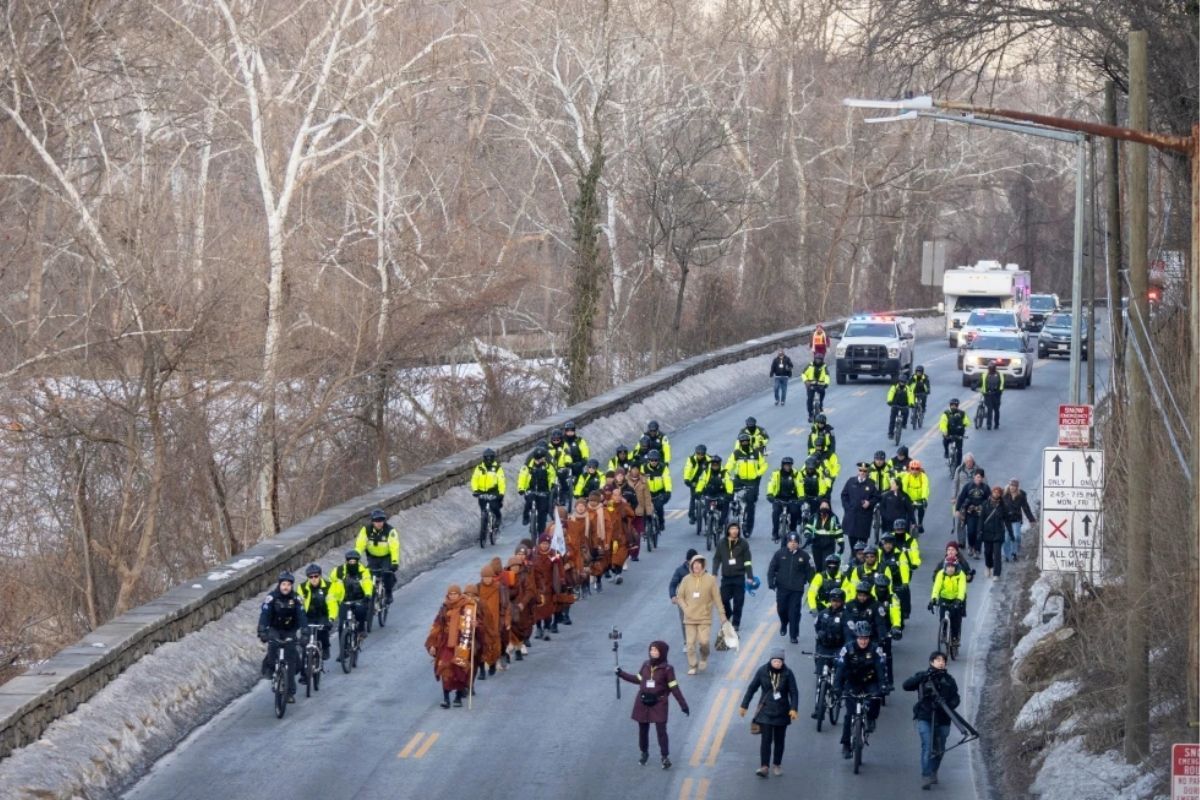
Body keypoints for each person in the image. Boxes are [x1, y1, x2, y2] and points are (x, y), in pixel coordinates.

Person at [617, 641, 689, 769]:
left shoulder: (668, 669)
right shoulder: (645, 665)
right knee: (643, 731)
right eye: (651, 650)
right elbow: (638, 679)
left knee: (661, 731)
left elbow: (674, 688)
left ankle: (665, 757)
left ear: (662, 652)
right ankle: (644, 753)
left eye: (656, 650)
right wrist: (621, 673)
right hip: (642, 702)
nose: (653, 652)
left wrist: (683, 705)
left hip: (659, 703)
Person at [903, 651, 961, 790]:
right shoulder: (923, 677)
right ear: (931, 662)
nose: (941, 662)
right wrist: (921, 677)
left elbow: (956, 698)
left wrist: (949, 705)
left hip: (943, 718)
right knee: (928, 745)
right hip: (925, 717)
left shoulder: (949, 680)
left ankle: (933, 771)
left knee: (940, 748)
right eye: (938, 660)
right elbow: (906, 686)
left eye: (943, 660)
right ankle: (926, 775)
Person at [740, 648, 800, 778]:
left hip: (782, 711)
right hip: (765, 711)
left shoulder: (788, 673)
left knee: (779, 740)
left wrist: (794, 708)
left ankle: (777, 765)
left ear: (783, 662)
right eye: (775, 661)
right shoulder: (762, 671)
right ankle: (764, 766)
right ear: (771, 660)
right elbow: (752, 688)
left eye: (779, 661)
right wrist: (744, 705)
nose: (777, 663)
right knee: (766, 740)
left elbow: (794, 692)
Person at [835, 620, 885, 758]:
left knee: (876, 698)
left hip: (870, 681)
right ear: (856, 637)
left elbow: (880, 669)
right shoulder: (847, 649)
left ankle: (871, 718)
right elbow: (840, 669)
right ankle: (846, 745)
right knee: (849, 715)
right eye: (861, 638)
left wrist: (883, 686)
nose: (863, 641)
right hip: (853, 682)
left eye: (866, 638)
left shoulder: (875, 649)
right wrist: (837, 687)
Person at [425, 584, 480, 708]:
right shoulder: (444, 608)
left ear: (459, 595)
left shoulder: (468, 607)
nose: (453, 596)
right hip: (445, 643)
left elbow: (477, 625)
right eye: (451, 594)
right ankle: (446, 699)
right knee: (444, 667)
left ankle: (458, 697)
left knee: (459, 669)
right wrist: (433, 644)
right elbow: (437, 626)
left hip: (462, 642)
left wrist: (475, 624)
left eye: (455, 594)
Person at [675, 553, 729, 674]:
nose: (696, 566)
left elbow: (717, 599)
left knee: (704, 642)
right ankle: (693, 665)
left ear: (703, 565)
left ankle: (704, 657)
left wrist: (722, 615)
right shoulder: (686, 579)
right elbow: (680, 596)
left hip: (704, 618)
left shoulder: (710, 580)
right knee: (690, 644)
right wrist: (686, 608)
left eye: (699, 564)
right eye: (694, 564)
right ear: (691, 565)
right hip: (689, 618)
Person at [257, 571, 307, 703]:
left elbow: (302, 616)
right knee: (273, 646)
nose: (286, 587)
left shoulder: (296, 598)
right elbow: (265, 614)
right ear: (279, 585)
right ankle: (270, 668)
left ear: (291, 586)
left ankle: (289, 692)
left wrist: (305, 632)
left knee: (290, 660)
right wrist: (262, 630)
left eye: (288, 585)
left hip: (290, 630)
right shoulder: (271, 597)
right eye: (284, 584)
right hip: (275, 628)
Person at [768, 532, 814, 643]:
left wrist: (813, 585)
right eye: (791, 542)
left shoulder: (805, 556)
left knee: (794, 612)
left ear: (798, 543)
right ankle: (784, 623)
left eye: (795, 542)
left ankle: (793, 635)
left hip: (797, 589)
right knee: (781, 609)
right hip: (782, 587)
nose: (793, 544)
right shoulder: (779, 554)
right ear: (787, 543)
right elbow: (772, 568)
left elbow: (810, 572)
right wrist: (771, 582)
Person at [713, 523, 754, 631]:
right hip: (726, 578)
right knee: (723, 599)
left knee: (738, 601)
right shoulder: (721, 543)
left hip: (739, 577)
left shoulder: (743, 543)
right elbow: (717, 558)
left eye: (736, 528)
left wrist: (750, 576)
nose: (734, 531)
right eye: (732, 528)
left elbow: (747, 561)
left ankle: (736, 623)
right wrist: (714, 572)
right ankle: (728, 614)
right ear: (728, 530)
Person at [329, 550, 373, 651]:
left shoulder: (363, 571)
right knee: (341, 625)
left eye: (354, 561)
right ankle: (342, 650)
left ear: (358, 561)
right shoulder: (339, 571)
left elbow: (367, 582)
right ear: (346, 561)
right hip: (344, 600)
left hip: (359, 599)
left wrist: (368, 594)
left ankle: (361, 630)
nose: (352, 563)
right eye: (350, 561)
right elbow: (331, 583)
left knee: (361, 612)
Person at [354, 508, 400, 602]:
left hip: (386, 557)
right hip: (373, 557)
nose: (379, 523)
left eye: (381, 520)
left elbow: (394, 547)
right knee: (368, 576)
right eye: (376, 521)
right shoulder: (366, 530)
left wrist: (394, 562)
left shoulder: (390, 531)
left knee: (387, 574)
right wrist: (355, 557)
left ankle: (388, 593)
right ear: (372, 521)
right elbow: (360, 545)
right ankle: (368, 595)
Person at [726, 434, 767, 537]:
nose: (744, 443)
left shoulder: (756, 453)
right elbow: (729, 464)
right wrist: (725, 473)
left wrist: (758, 473)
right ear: (740, 443)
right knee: (727, 493)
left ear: (749, 442)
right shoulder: (736, 453)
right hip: (739, 479)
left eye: (746, 441)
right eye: (742, 442)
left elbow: (764, 465)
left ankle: (748, 527)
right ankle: (727, 516)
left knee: (750, 504)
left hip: (752, 481)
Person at [296, 564, 335, 668]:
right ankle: (305, 671)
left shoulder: (328, 586)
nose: (313, 579)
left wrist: (331, 618)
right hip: (308, 616)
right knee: (305, 640)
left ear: (320, 576)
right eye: (311, 577)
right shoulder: (302, 587)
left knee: (322, 632)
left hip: (322, 615)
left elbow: (332, 603)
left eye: (316, 576)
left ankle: (325, 647)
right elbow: (298, 605)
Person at [840, 462, 879, 551]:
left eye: (864, 471)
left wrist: (869, 503)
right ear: (858, 471)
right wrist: (847, 507)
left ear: (867, 472)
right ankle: (853, 555)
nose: (862, 473)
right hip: (852, 516)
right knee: (852, 542)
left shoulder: (871, 483)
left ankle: (862, 556)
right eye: (861, 470)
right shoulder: (851, 481)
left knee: (863, 545)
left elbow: (877, 497)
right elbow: (844, 495)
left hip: (864, 517)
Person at [929, 556, 967, 648]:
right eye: (948, 567)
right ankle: (944, 632)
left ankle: (955, 638)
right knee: (942, 616)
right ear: (945, 567)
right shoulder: (941, 574)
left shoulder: (960, 575)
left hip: (956, 598)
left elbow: (962, 589)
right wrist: (933, 598)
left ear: (956, 567)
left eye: (952, 567)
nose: (950, 569)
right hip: (944, 598)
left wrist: (959, 600)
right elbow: (936, 587)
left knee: (956, 620)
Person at [471, 449, 507, 545]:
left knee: (495, 508)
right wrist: (475, 490)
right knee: (483, 511)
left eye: (490, 458)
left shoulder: (497, 468)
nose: (488, 460)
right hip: (482, 492)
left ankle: (497, 521)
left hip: (494, 492)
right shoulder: (479, 468)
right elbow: (474, 479)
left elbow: (501, 481)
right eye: (487, 458)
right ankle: (483, 533)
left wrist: (501, 493)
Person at [812, 588, 847, 687]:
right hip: (824, 646)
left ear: (842, 602)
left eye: (838, 601)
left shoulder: (846, 615)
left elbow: (848, 633)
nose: (835, 603)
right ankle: (820, 687)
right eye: (833, 601)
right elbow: (817, 626)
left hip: (839, 647)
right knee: (819, 663)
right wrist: (821, 634)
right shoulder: (823, 613)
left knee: (841, 668)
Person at [518, 448, 557, 533]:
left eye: (542, 459)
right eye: (538, 459)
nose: (540, 461)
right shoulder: (528, 466)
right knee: (529, 500)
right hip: (531, 489)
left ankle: (541, 532)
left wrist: (552, 485)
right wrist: (521, 488)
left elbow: (552, 476)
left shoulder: (548, 466)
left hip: (543, 490)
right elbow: (522, 477)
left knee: (543, 511)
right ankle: (526, 516)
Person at [477, 563, 505, 677]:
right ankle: (482, 670)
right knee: (480, 646)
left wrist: (504, 619)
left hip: (494, 621)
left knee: (493, 645)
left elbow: (503, 605)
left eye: (489, 577)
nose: (487, 580)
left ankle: (492, 663)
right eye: (485, 577)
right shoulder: (478, 588)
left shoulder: (498, 587)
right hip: (481, 622)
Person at [766, 457, 803, 542]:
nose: (787, 467)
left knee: (795, 511)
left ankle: (793, 529)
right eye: (786, 465)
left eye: (789, 465)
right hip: (779, 498)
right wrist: (770, 494)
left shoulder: (796, 473)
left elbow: (800, 485)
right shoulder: (776, 473)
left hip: (792, 498)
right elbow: (771, 484)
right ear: (782, 465)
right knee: (775, 512)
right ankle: (775, 532)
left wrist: (801, 497)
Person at [878, 532, 914, 620]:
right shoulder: (878, 553)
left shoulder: (900, 554)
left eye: (890, 544)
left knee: (904, 591)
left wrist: (905, 582)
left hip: (896, 581)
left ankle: (904, 612)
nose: (888, 546)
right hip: (880, 582)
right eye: (886, 544)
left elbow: (904, 568)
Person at [694, 455, 733, 536]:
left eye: (716, 465)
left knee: (725, 507)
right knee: (706, 511)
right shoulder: (706, 472)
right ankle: (708, 527)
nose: (715, 466)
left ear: (719, 464)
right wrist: (698, 491)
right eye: (713, 464)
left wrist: (729, 493)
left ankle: (720, 525)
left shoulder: (724, 472)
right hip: (710, 493)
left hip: (721, 494)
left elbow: (729, 483)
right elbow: (701, 481)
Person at [955, 469, 991, 557]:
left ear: (982, 478)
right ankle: (971, 546)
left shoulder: (986, 488)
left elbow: (989, 500)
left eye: (980, 477)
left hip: (981, 513)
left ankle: (977, 550)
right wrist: (957, 509)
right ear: (974, 476)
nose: (979, 479)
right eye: (977, 477)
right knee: (971, 531)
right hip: (970, 512)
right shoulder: (968, 486)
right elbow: (961, 498)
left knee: (979, 532)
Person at [1001, 478, 1037, 561]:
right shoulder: (1004, 494)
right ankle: (1007, 555)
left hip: (1016, 519)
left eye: (1014, 486)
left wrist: (1031, 519)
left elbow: (1026, 508)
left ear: (1017, 487)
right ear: (1009, 485)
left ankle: (1014, 552)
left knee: (1016, 536)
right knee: (1006, 538)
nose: (1012, 487)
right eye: (1011, 485)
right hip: (1006, 520)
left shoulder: (1021, 495)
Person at [669, 548, 700, 643]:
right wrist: (673, 596)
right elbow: (673, 585)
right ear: (687, 560)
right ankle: (687, 642)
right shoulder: (680, 571)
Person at [624, 465, 653, 560]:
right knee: (627, 533)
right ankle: (626, 552)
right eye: (633, 469)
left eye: (636, 469)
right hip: (627, 511)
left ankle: (635, 555)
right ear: (630, 470)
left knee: (637, 534)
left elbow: (647, 497)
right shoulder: (625, 480)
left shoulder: (644, 481)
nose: (635, 471)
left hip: (639, 511)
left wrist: (649, 512)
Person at [980, 487, 1007, 578]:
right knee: (988, 552)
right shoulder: (985, 504)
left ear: (1000, 494)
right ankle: (988, 566)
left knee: (997, 554)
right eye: (994, 492)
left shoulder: (1003, 506)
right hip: (987, 532)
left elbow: (1006, 520)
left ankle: (996, 573)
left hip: (998, 533)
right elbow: (981, 518)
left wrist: (1011, 533)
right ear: (992, 493)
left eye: (998, 493)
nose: (996, 494)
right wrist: (979, 531)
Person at [642, 450, 672, 532]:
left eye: (655, 460)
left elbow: (667, 480)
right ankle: (644, 527)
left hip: (660, 492)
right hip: (648, 493)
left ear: (658, 460)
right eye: (652, 460)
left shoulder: (663, 468)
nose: (654, 462)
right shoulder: (643, 468)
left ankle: (661, 522)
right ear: (649, 460)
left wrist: (668, 491)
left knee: (658, 506)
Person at [877, 477, 914, 542]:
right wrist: (886, 516)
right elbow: (882, 508)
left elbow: (910, 510)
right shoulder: (886, 496)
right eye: (891, 483)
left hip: (901, 523)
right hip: (888, 522)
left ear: (898, 486)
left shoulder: (904, 496)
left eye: (893, 484)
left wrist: (913, 522)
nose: (891, 485)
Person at [797, 457, 833, 522]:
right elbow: (799, 485)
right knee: (797, 509)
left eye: (812, 468)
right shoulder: (801, 474)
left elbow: (822, 485)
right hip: (805, 495)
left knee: (817, 510)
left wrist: (820, 495)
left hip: (815, 496)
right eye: (809, 468)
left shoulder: (819, 474)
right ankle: (799, 522)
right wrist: (801, 495)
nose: (810, 470)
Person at [683, 445, 710, 524]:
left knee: (707, 497)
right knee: (693, 497)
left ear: (705, 453)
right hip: (694, 481)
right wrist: (686, 479)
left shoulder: (709, 460)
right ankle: (692, 516)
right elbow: (687, 469)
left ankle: (707, 515)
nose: (700, 456)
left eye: (702, 454)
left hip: (704, 481)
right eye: (698, 453)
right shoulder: (691, 459)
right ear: (695, 453)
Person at [900, 460, 930, 531]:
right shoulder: (907, 476)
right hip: (909, 498)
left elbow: (925, 487)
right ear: (909, 469)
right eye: (912, 468)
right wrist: (904, 498)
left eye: (917, 469)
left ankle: (920, 524)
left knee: (921, 509)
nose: (914, 471)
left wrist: (924, 498)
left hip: (919, 498)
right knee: (908, 514)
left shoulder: (923, 476)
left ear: (919, 469)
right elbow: (904, 488)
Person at [802, 356, 831, 423]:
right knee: (809, 399)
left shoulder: (824, 367)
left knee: (822, 393)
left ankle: (820, 405)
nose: (818, 361)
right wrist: (806, 381)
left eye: (819, 359)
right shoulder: (810, 365)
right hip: (811, 385)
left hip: (820, 385)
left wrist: (826, 383)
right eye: (816, 359)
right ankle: (810, 414)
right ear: (814, 359)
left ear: (822, 360)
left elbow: (827, 376)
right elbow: (803, 374)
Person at [978, 364, 1004, 429]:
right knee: (990, 409)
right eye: (990, 369)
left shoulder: (999, 375)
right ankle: (988, 424)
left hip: (996, 395)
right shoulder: (985, 374)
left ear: (995, 369)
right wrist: (974, 385)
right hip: (987, 394)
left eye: (992, 369)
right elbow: (980, 382)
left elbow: (1002, 384)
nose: (990, 370)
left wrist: (999, 391)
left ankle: (996, 424)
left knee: (996, 410)